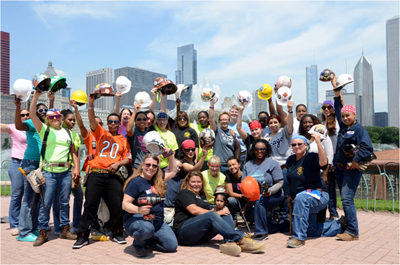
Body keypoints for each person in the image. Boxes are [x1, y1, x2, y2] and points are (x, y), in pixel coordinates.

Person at [73, 94, 132, 249]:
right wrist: (90, 104)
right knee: (90, 204)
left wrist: (118, 163)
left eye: (115, 122)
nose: (113, 124)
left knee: (117, 205)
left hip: (114, 175)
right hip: (97, 173)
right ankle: (83, 235)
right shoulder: (100, 134)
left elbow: (128, 159)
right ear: (107, 123)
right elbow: (92, 121)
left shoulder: (123, 140)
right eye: (110, 121)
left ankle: (118, 232)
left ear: (119, 124)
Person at [29, 90, 80, 247]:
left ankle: (65, 229)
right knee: (47, 203)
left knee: (65, 202)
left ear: (61, 118)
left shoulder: (68, 133)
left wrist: (76, 168)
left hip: (65, 172)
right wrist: (36, 96)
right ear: (48, 119)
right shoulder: (45, 130)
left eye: (57, 116)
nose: (55, 119)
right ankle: (42, 232)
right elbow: (32, 114)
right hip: (49, 172)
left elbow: (74, 152)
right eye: (51, 117)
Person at [173, 171, 265, 256]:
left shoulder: (202, 196)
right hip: (184, 233)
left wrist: (221, 211)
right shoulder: (185, 193)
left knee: (225, 211)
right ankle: (240, 239)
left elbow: (209, 211)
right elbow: (194, 210)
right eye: (193, 182)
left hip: (199, 236)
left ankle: (229, 243)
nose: (196, 184)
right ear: (187, 182)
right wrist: (215, 212)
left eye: (199, 182)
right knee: (213, 214)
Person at [333, 78, 374, 241]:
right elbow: (337, 110)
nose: (344, 118)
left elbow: (367, 148)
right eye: (343, 116)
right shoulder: (344, 128)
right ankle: (349, 225)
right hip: (340, 168)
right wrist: (337, 94)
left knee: (347, 198)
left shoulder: (359, 130)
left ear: (354, 115)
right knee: (345, 199)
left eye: (347, 115)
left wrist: (356, 160)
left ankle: (352, 231)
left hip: (352, 169)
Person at [286, 135, 343, 248]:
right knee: (310, 231)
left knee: (301, 199)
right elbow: (290, 180)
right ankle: (339, 225)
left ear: (306, 145)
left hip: (318, 196)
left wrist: (318, 141)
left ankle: (298, 238)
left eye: (300, 144)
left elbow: (323, 162)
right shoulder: (290, 160)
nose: (296, 146)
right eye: (294, 144)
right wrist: (289, 195)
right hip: (301, 198)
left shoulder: (311, 157)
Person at [122, 154, 178, 258]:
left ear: (157, 168)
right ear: (142, 165)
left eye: (154, 166)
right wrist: (139, 210)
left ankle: (146, 240)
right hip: (137, 220)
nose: (151, 168)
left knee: (171, 246)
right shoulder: (135, 182)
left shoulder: (158, 179)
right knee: (146, 229)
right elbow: (125, 204)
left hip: (157, 222)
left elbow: (173, 171)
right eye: (148, 165)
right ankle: (139, 245)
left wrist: (170, 155)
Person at [15, 93, 54, 242]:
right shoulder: (32, 122)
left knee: (38, 199)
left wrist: (51, 101)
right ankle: (23, 232)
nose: (43, 112)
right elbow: (19, 126)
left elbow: (51, 115)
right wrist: (18, 107)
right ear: (35, 113)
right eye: (40, 110)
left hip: (41, 165)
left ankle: (33, 228)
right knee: (29, 199)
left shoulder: (47, 126)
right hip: (31, 162)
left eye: (45, 111)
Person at [70, 100, 106, 236]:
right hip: (92, 173)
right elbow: (80, 124)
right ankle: (92, 226)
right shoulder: (88, 136)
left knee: (105, 202)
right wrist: (76, 110)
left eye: (99, 123)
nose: (96, 125)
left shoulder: (107, 137)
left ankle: (104, 225)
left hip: (106, 173)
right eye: (94, 123)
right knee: (91, 201)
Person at [242, 139, 284, 241]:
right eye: (257, 149)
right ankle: (285, 225)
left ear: (267, 150)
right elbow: (243, 183)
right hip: (254, 198)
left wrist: (269, 191)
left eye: (262, 149)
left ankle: (261, 233)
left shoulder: (273, 164)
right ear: (253, 150)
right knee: (268, 225)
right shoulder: (247, 165)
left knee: (260, 200)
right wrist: (247, 196)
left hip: (274, 196)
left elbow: (280, 182)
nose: (259, 151)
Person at [51, 109, 83, 235]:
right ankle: (59, 227)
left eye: (74, 120)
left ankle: (76, 224)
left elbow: (77, 153)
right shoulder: (55, 132)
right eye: (70, 120)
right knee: (59, 199)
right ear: (62, 119)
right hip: (60, 169)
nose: (73, 122)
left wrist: (77, 169)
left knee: (79, 195)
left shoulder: (74, 135)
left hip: (71, 170)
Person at [298, 114, 334, 222]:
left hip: (319, 173)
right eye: (305, 122)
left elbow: (330, 155)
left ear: (314, 123)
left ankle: (321, 219)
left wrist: (325, 174)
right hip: (304, 174)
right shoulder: (300, 138)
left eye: (310, 122)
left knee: (320, 196)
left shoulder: (322, 135)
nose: (307, 124)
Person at [1, 100, 28, 236]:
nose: (25, 117)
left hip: (30, 165)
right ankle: (15, 224)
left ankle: (27, 223)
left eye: (27, 114)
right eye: (22, 115)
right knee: (17, 195)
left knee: (30, 196)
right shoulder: (14, 127)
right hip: (17, 164)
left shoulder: (33, 128)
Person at [264, 101, 294, 224]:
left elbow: (290, 126)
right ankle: (271, 219)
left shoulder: (284, 132)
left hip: (284, 168)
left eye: (276, 122)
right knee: (273, 194)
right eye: (271, 122)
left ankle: (284, 218)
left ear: (280, 123)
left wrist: (290, 111)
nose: (273, 124)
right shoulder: (265, 137)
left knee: (286, 194)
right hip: (271, 170)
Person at [209, 98, 240, 174]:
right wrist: (212, 105)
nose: (224, 121)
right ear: (219, 121)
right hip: (220, 165)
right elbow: (211, 120)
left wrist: (236, 160)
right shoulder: (217, 131)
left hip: (231, 166)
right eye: (222, 120)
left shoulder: (232, 132)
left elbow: (238, 147)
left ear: (229, 121)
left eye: (226, 120)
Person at [321, 100, 340, 220]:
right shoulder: (321, 124)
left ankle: (333, 213)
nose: (327, 109)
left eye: (329, 107)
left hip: (332, 161)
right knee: (324, 189)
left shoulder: (337, 124)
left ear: (333, 109)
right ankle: (323, 214)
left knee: (331, 189)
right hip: (322, 161)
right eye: (324, 107)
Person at [225, 156, 249, 226]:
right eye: (230, 166)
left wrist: (246, 206)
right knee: (230, 200)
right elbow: (230, 193)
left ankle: (248, 218)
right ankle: (234, 220)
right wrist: (242, 196)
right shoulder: (228, 177)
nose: (232, 167)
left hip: (247, 201)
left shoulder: (246, 175)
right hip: (237, 200)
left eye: (234, 164)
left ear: (239, 164)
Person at [126, 104, 148, 172]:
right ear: (135, 121)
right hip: (135, 168)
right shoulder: (134, 131)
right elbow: (129, 129)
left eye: (144, 119)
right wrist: (134, 111)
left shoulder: (149, 134)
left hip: (147, 168)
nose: (142, 121)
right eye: (139, 119)